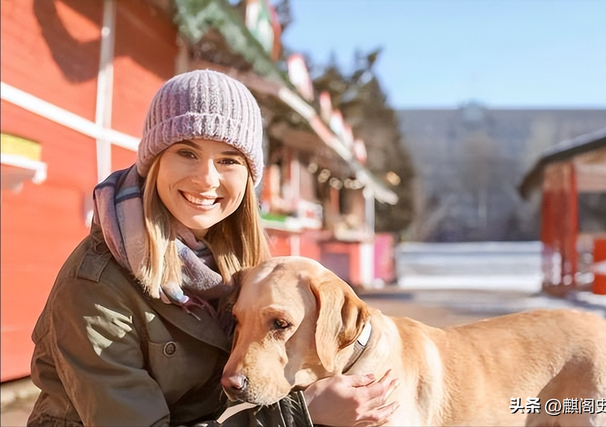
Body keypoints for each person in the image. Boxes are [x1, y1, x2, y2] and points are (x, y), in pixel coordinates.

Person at [27, 69, 398, 427]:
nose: (207, 179)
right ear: (154, 161)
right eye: (187, 153)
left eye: (228, 160)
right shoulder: (96, 286)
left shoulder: (242, 270)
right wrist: (304, 414)